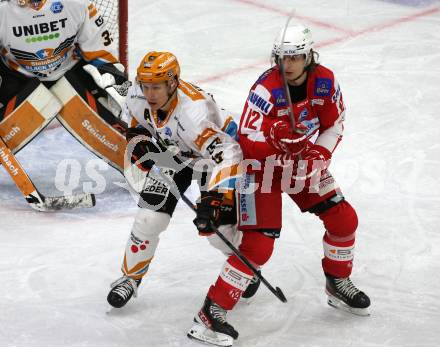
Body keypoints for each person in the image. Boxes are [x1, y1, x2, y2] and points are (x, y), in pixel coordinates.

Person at [187, 24, 371, 346]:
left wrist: (318, 154)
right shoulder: (266, 89)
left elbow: (334, 124)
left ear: (309, 55)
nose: (288, 65)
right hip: (260, 167)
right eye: (283, 57)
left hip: (300, 163)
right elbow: (246, 139)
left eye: (296, 57)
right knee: (259, 246)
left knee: (344, 218)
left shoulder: (325, 82)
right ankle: (210, 313)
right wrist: (275, 137)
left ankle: (337, 283)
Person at [106, 51, 244, 309]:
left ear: (172, 83)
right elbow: (133, 120)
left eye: (156, 87)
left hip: (213, 160)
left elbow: (230, 153)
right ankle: (130, 278)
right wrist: (137, 139)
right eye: (146, 86)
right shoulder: (138, 93)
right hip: (176, 153)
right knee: (149, 218)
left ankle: (242, 264)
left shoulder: (194, 115)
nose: (150, 94)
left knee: (217, 231)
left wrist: (219, 196)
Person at [0, 0, 129, 172]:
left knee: (116, 125)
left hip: (71, 73)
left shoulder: (77, 4)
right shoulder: (3, 10)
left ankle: (138, 161)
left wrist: (116, 84)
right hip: (16, 79)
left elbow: (100, 51)